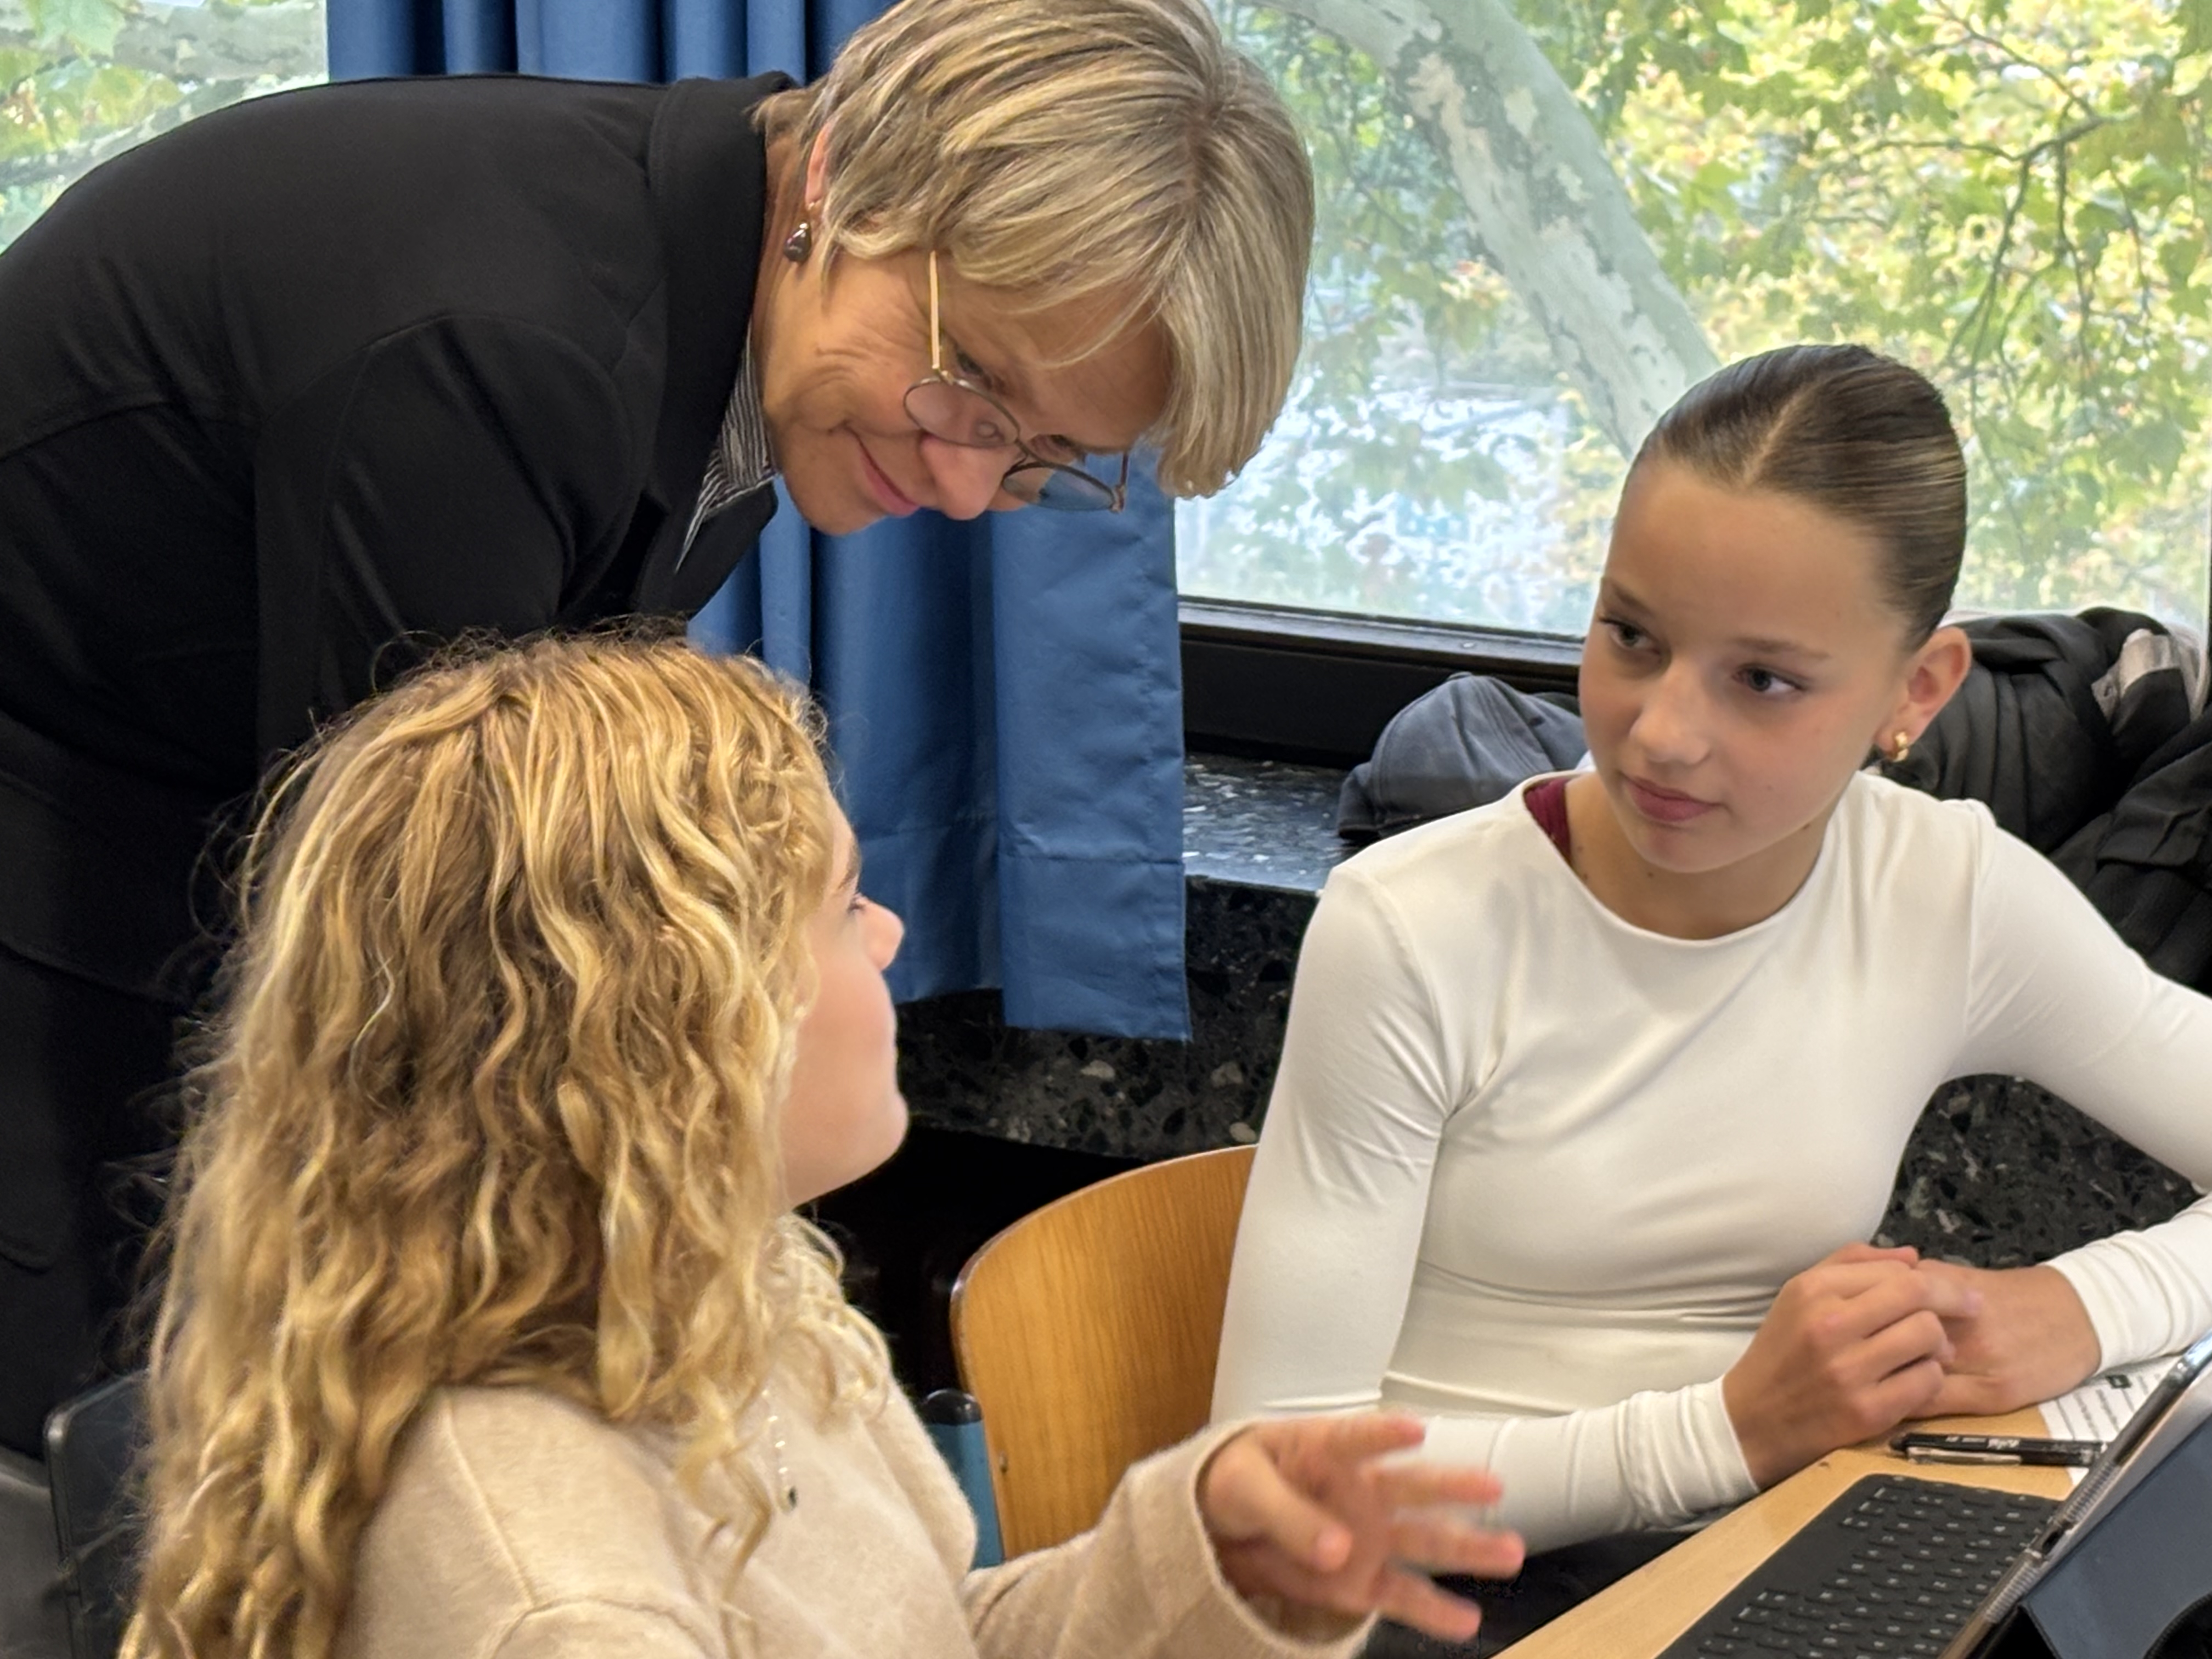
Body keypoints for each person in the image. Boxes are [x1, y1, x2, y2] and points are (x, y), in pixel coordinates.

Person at [0, 0, 1313, 1459]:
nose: (960, 485)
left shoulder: (746, 301)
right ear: (848, 179)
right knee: (105, 1462)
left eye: (1043, 462)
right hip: (59, 853)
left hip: (181, 811)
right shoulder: (502, 345)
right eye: (975, 385)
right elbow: (434, 989)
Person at [117, 635, 1522, 1659]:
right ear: (681, 1031)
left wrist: (1207, 1557)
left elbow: (939, 1633)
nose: (893, 940)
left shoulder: (721, 1292)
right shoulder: (554, 1600)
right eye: (848, 907)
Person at [1210, 346, 2212, 1629]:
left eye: (1766, 681)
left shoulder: (1945, 889)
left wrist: (2080, 1306)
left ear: (1917, 691)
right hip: (1442, 1596)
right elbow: (1281, 1478)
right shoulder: (1412, 927)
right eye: (1632, 636)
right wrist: (1732, 1432)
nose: (1664, 732)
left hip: (1776, 1543)